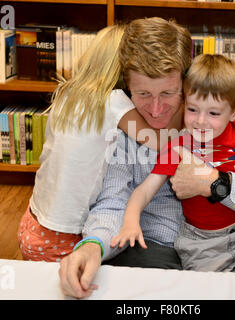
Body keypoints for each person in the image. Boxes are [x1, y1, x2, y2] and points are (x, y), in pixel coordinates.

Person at [58, 17, 235, 299]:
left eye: (168, 92)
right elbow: (115, 201)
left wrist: (217, 184)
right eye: (142, 94)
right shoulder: (125, 124)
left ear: (186, 83)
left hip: (233, 239)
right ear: (128, 87)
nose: (154, 109)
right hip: (151, 246)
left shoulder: (225, 111)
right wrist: (94, 245)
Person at [110, 54, 235, 275]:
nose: (200, 121)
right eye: (193, 110)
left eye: (213, 113)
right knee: (214, 292)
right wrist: (130, 221)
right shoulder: (179, 146)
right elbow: (144, 191)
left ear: (234, 112)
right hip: (201, 243)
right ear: (184, 103)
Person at [17, 24, 154, 262]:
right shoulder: (115, 101)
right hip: (63, 236)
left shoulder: (66, 92)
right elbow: (156, 141)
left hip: (32, 221)